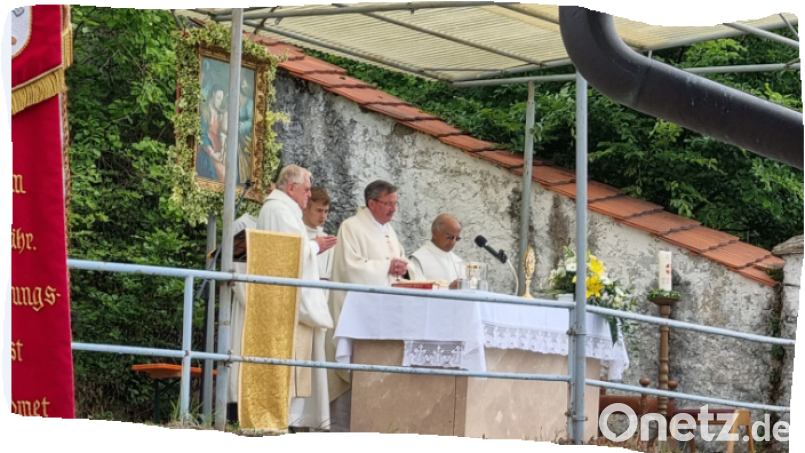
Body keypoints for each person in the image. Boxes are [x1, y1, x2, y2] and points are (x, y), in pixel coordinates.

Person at [326, 180, 410, 432]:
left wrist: (404, 270)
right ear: (372, 203)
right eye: (389, 204)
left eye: (395, 203)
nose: (394, 209)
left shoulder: (389, 231)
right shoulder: (351, 227)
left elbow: (401, 264)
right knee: (351, 374)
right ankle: (342, 431)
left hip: (386, 315)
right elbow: (349, 267)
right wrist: (386, 267)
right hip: (358, 315)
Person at [257, 166, 338, 422]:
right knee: (289, 365)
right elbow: (288, 253)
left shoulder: (284, 209)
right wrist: (315, 245)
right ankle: (283, 421)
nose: (309, 194)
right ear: (291, 188)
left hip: (289, 299)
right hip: (286, 301)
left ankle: (288, 421)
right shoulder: (280, 210)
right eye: (306, 189)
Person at [289, 186, 337, 430]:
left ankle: (311, 422)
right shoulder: (298, 236)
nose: (323, 216)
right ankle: (291, 421)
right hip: (298, 311)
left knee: (316, 368)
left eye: (327, 211)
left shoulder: (327, 238)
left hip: (318, 310)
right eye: (318, 210)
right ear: (305, 208)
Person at [227, 182, 275, 422]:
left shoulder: (282, 227)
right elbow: (236, 271)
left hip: (273, 308)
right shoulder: (243, 225)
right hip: (249, 305)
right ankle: (236, 413)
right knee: (241, 358)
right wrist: (255, 303)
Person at [407, 214, 465, 288]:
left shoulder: (458, 262)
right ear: (435, 233)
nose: (453, 242)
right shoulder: (418, 259)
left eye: (457, 238)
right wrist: (449, 288)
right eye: (449, 237)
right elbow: (417, 291)